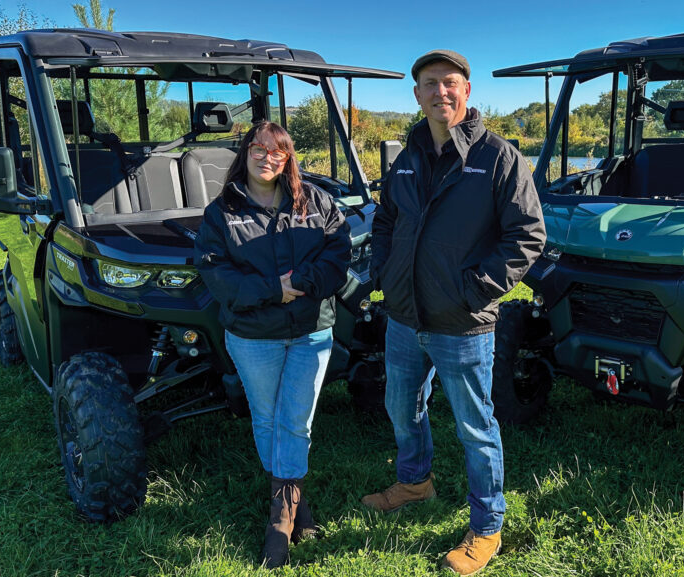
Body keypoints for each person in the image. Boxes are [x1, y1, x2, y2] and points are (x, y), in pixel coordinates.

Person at [363, 49, 546, 575]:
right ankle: (415, 481)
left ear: (467, 90)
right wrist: (383, 272)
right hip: (403, 315)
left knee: (475, 426)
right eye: (429, 84)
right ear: (416, 94)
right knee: (402, 408)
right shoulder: (409, 154)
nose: (440, 91)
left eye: (450, 83)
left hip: (462, 323)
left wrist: (478, 289)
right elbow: (385, 219)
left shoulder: (499, 157)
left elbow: (528, 235)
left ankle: (487, 525)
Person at [194, 121, 351, 568]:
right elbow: (215, 271)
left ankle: (278, 520)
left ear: (288, 157)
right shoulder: (221, 212)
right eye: (259, 149)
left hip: (311, 331)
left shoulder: (315, 201)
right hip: (253, 335)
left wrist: (299, 283)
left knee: (295, 420)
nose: (268, 158)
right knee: (267, 418)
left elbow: (337, 252)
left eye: (277, 151)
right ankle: (296, 505)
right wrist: (272, 290)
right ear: (245, 154)